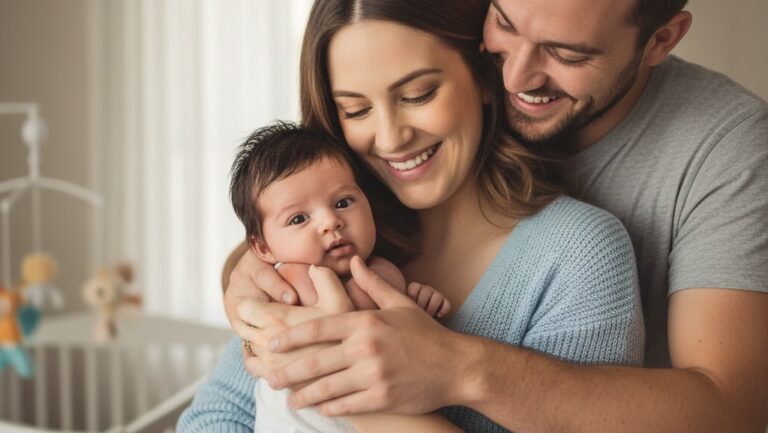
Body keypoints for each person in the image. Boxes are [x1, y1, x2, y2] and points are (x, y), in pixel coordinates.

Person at [210, 0, 768, 432]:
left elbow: (733, 410)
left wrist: (443, 368)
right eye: (354, 108)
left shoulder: (594, 241)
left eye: (567, 53)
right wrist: (255, 266)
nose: (518, 77)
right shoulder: (345, 229)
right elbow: (223, 409)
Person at [228, 121, 452, 432]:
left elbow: (408, 348)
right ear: (262, 247)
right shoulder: (289, 280)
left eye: (343, 203)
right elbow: (346, 320)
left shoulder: (384, 270)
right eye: (299, 218)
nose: (330, 221)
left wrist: (420, 312)